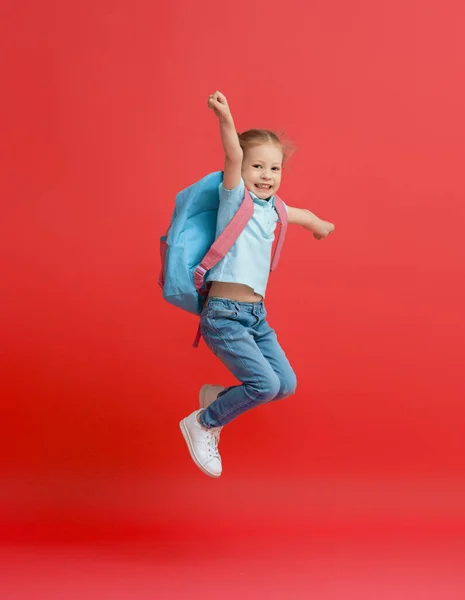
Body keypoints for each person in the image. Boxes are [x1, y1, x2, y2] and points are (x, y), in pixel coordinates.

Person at [179, 91, 335, 478]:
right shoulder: (235, 201)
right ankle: (203, 423)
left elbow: (298, 213)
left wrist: (319, 225)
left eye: (274, 169)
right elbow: (232, 155)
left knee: (284, 384)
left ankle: (219, 399)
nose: (266, 176)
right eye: (257, 167)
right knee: (263, 384)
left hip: (255, 316)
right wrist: (225, 117)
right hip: (225, 316)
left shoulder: (274, 208)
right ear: (242, 171)